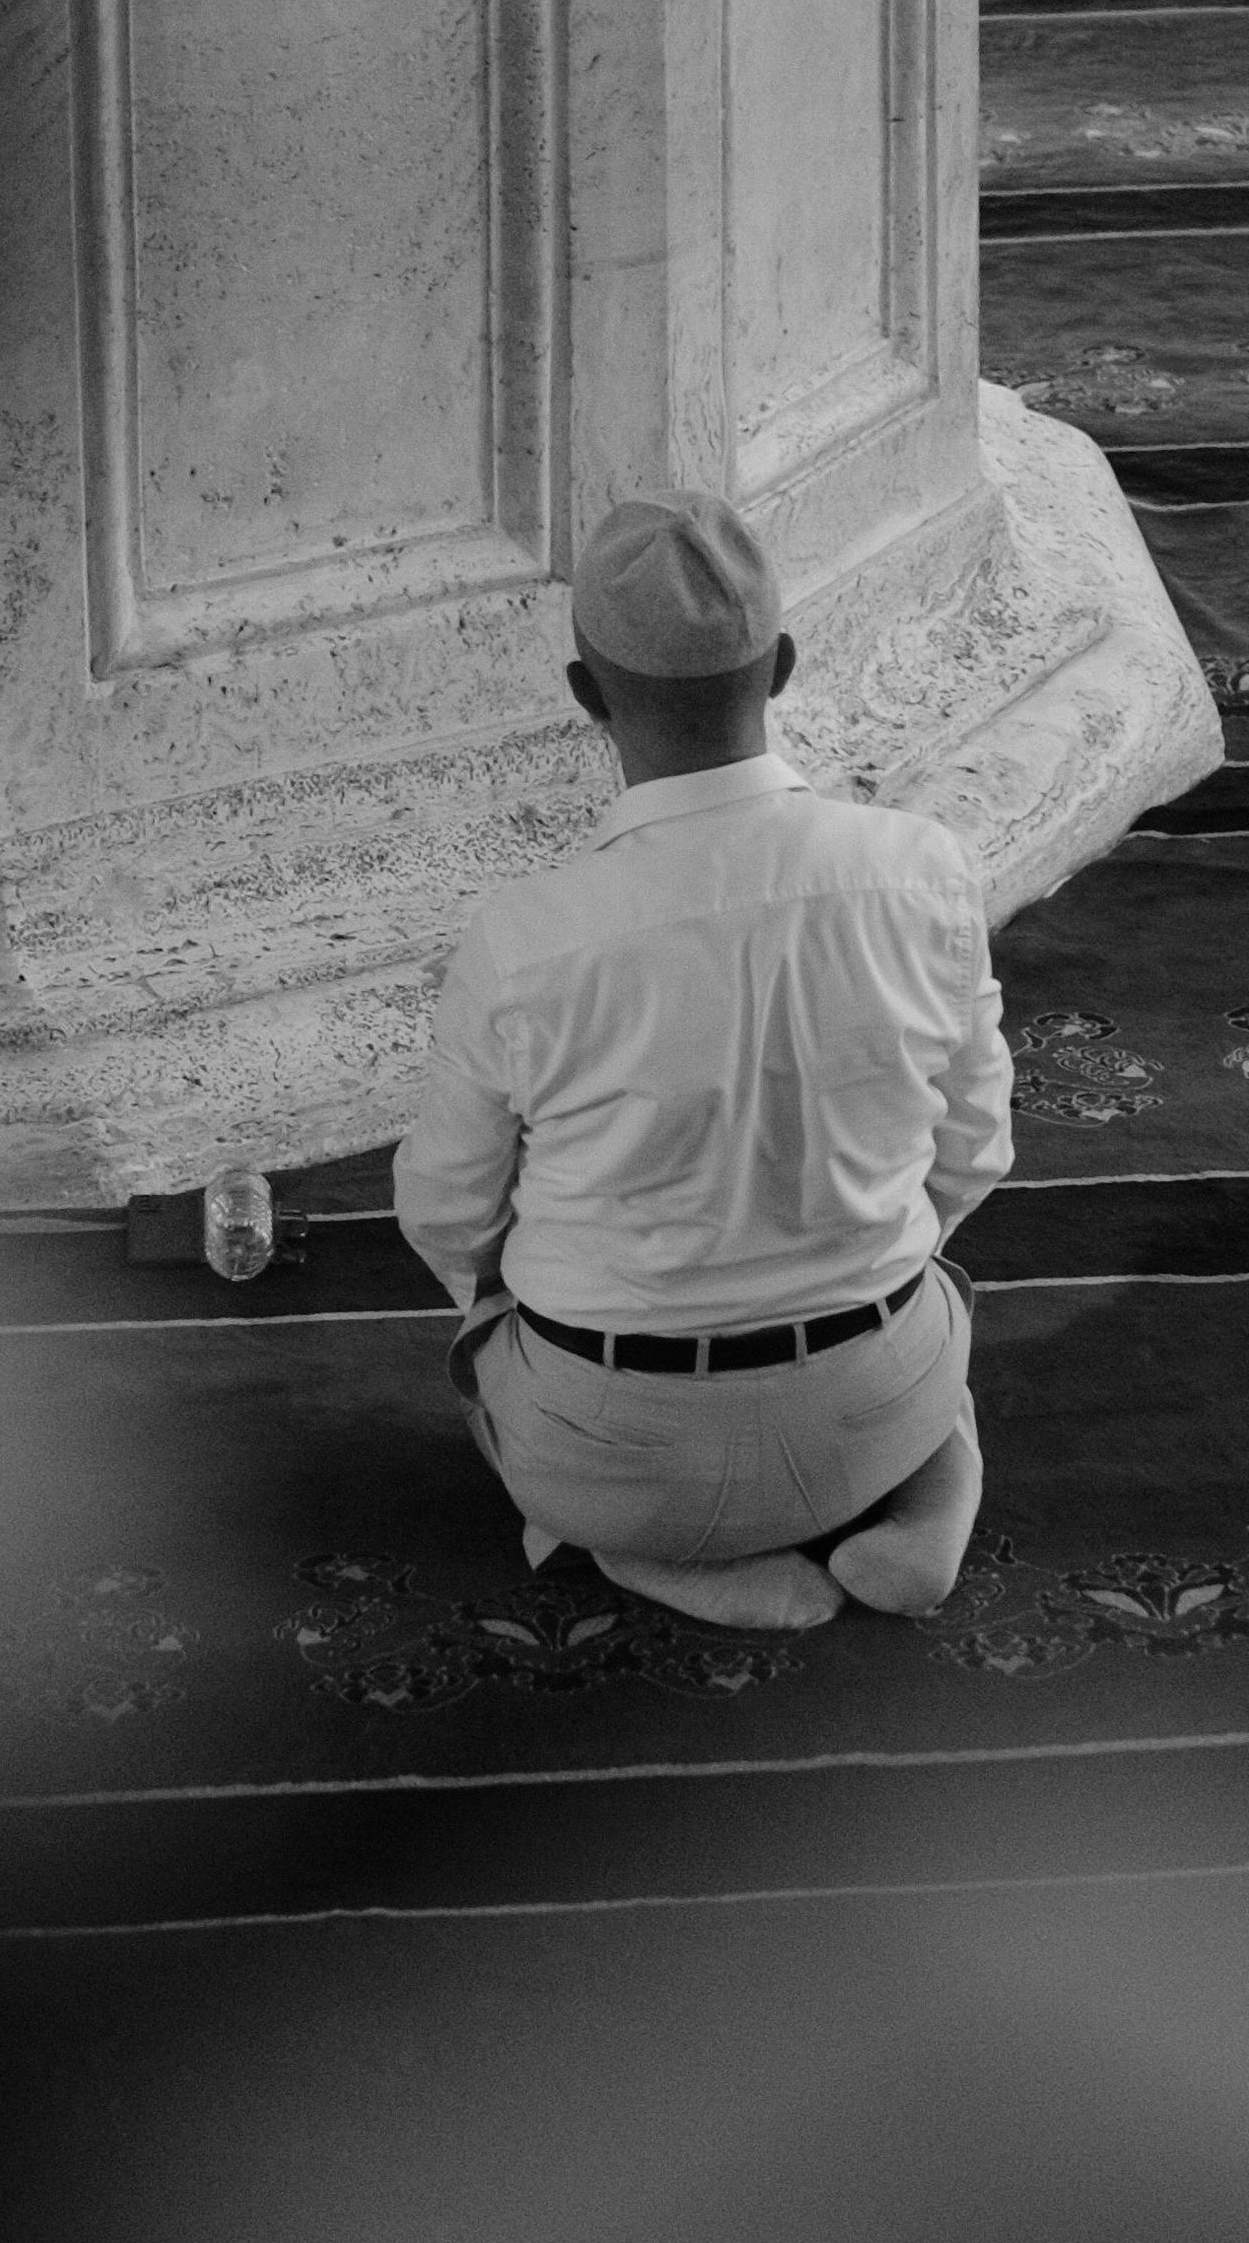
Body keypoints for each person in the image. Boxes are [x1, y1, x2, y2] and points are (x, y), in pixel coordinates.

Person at [390, 490, 1011, 1636]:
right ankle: (922, 1502)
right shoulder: (924, 871)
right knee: (938, 1304)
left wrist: (514, 1303)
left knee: (486, 1356)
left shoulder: (526, 937)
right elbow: (973, 1151)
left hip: (616, 1445)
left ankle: (645, 1550)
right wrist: (849, 1252)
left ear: (584, 695)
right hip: (873, 1398)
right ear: (779, 666)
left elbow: (444, 1212)